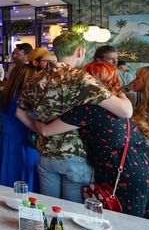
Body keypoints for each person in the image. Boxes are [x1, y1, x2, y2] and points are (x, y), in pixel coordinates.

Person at [35, 61, 149, 230]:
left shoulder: (88, 109)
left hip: (125, 170)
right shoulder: (122, 102)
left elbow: (45, 130)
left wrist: (27, 117)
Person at [15, 32, 134, 202]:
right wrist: (121, 92)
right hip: (75, 154)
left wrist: (40, 129)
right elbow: (125, 112)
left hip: (46, 153)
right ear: (80, 51)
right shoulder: (82, 79)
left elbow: (20, 112)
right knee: (74, 213)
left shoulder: (36, 78)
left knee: (49, 208)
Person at [0, 64, 39, 192]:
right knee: (26, 174)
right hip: (25, 142)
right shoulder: (25, 100)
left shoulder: (6, 96)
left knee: (8, 171)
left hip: (7, 141)